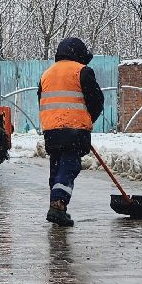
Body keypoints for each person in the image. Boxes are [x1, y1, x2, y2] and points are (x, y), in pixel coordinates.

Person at [37, 36, 105, 227]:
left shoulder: (46, 74)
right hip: (74, 129)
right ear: (79, 55)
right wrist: (87, 120)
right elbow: (96, 100)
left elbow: (41, 102)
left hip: (51, 130)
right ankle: (59, 204)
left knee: (57, 167)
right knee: (69, 166)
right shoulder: (82, 71)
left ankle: (56, 207)